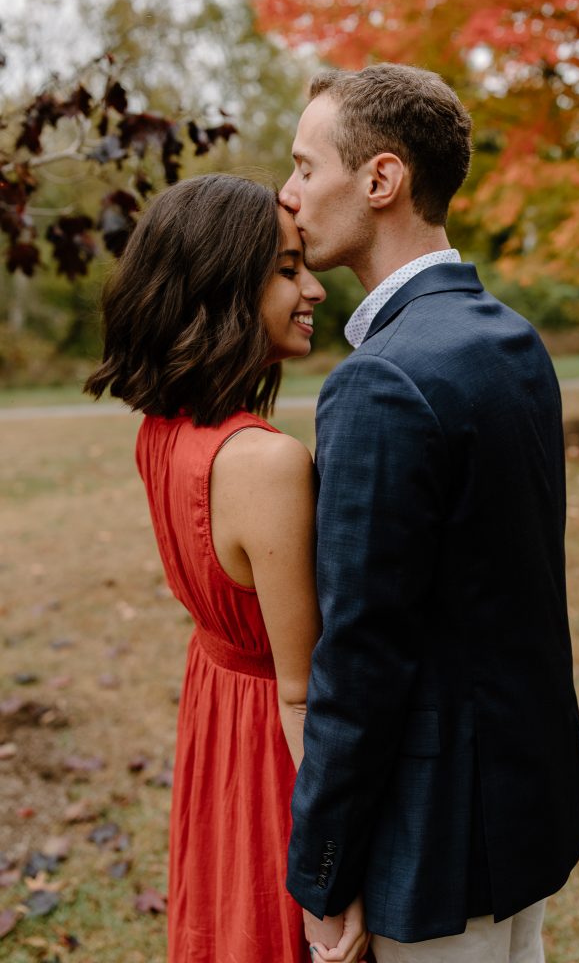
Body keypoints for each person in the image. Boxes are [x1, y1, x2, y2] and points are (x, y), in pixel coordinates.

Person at [279, 64, 579, 963]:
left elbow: (362, 654)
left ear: (380, 180)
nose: (289, 194)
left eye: (305, 166)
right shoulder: (508, 335)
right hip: (525, 807)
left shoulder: (380, 380)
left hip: (437, 841)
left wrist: (323, 870)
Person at [83, 174, 362, 963]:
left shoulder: (159, 431)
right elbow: (303, 695)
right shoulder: (265, 464)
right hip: (275, 746)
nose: (312, 288)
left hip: (217, 715)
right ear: (221, 286)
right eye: (284, 269)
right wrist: (331, 876)